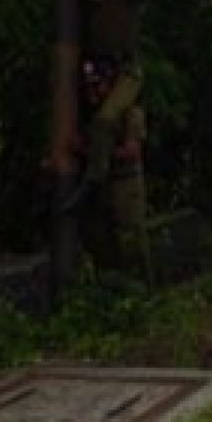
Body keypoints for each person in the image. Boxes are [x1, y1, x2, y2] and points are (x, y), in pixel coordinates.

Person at [62, 0, 149, 212]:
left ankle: (93, 180)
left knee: (107, 118)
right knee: (93, 118)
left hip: (125, 70)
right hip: (95, 69)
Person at [76, 56, 150, 278]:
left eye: (98, 85)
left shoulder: (128, 113)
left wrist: (92, 152)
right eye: (89, 86)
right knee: (103, 240)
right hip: (104, 184)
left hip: (126, 183)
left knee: (130, 240)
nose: (93, 92)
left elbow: (131, 151)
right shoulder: (92, 115)